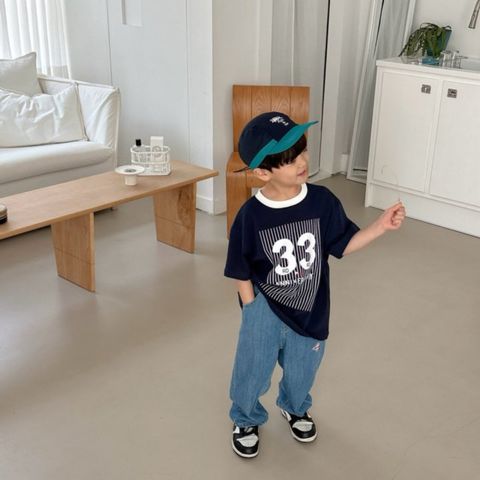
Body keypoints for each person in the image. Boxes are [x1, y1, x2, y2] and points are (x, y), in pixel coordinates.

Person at [224, 111, 406, 459]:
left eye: (303, 151)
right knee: (253, 369)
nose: (302, 162)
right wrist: (251, 307)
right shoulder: (250, 216)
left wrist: (380, 227)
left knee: (303, 369)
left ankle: (294, 407)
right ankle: (245, 418)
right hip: (265, 308)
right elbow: (239, 268)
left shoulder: (322, 201)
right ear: (263, 172)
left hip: (311, 307)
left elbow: (343, 244)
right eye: (290, 159)